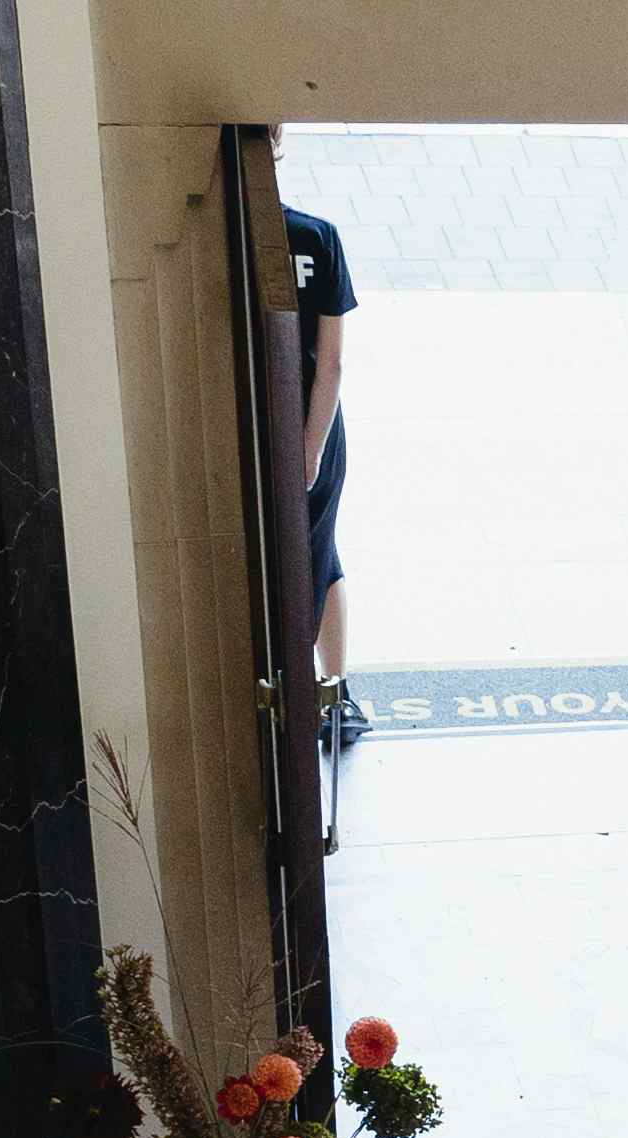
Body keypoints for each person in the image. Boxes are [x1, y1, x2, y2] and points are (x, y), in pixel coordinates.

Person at [283, 200, 363, 750]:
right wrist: (312, 448)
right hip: (314, 419)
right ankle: (336, 693)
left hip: (259, 420)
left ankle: (308, 690)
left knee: (303, 555)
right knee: (319, 549)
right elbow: (330, 361)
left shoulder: (225, 238)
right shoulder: (317, 235)